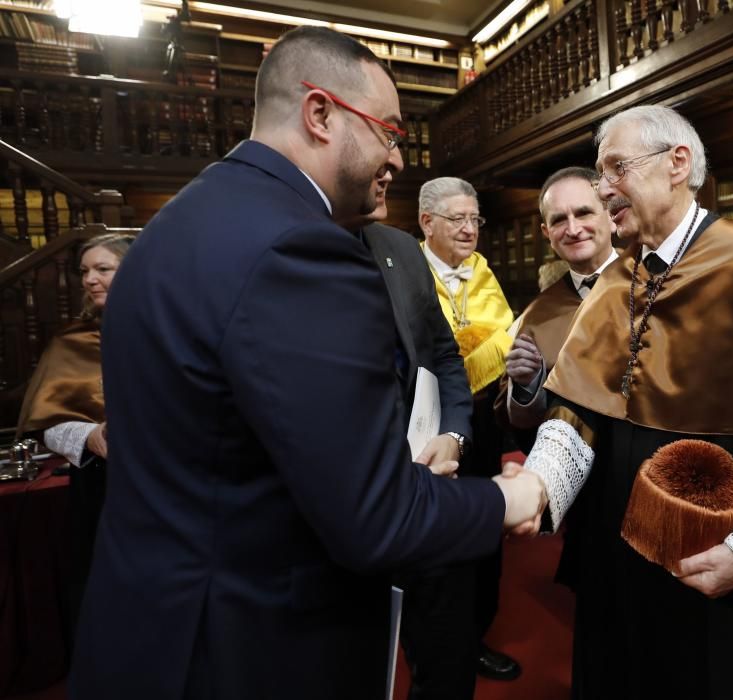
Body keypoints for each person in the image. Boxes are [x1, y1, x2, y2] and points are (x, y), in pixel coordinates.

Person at [69, 27, 545, 700]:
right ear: (320, 114)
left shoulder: (178, 224)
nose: (396, 160)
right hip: (248, 645)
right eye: (388, 132)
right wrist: (508, 498)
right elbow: (373, 519)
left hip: (152, 625)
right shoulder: (299, 248)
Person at [508, 105, 733, 699]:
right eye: (599, 174)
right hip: (618, 552)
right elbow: (577, 416)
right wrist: (538, 483)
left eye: (616, 167)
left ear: (678, 163)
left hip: (721, 546)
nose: (604, 188)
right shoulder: (616, 280)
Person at [339, 179, 479, 699]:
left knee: (445, 649)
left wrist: (453, 433)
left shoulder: (399, 248)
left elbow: (443, 355)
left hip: (426, 486)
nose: (393, 162)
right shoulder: (281, 245)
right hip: (342, 505)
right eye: (383, 135)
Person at [418, 176, 522, 681]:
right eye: (457, 219)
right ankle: (435, 643)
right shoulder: (407, 271)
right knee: (435, 540)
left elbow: (502, 345)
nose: (468, 230)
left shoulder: (483, 274)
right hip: (425, 423)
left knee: (486, 531)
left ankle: (477, 633)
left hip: (481, 420)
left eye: (474, 220)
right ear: (427, 223)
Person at [16, 232, 135, 637]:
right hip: (101, 489)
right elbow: (45, 423)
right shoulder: (72, 341)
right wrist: (89, 436)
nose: (89, 279)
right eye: (84, 271)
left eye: (103, 269)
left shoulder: (170, 329)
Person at [495, 166, 618, 441]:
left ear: (611, 215)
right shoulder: (535, 317)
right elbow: (517, 421)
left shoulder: (654, 284)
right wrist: (528, 384)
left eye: (584, 213)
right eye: (559, 220)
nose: (573, 229)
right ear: (546, 232)